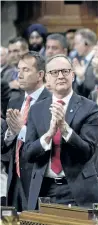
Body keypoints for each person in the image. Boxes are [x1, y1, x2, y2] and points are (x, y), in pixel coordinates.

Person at [23, 54, 98, 210]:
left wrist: (65, 129)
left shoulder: (89, 107)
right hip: (44, 190)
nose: (60, 76)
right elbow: (28, 154)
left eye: (65, 71)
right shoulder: (36, 110)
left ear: (72, 75)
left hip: (76, 189)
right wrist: (48, 135)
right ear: (47, 78)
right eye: (54, 72)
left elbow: (88, 151)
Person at [2, 51, 51, 211]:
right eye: (19, 69)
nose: (19, 75)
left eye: (26, 70)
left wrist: (21, 130)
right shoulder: (14, 100)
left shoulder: (50, 102)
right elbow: (5, 145)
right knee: (10, 221)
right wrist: (10, 133)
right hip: (14, 178)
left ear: (40, 74)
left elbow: (46, 141)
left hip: (38, 178)